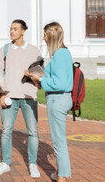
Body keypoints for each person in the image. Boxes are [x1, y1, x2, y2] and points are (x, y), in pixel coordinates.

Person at [0, 19, 42, 178]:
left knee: (33, 132)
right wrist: (1, 94)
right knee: (6, 131)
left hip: (29, 96)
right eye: (11, 29)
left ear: (23, 31)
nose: (12, 31)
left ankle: (33, 164)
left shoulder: (34, 50)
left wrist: (34, 78)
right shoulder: (4, 50)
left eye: (15, 29)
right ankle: (5, 163)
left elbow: (41, 75)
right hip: (9, 97)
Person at [25, 22, 73, 182]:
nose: (43, 37)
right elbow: (58, 80)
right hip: (61, 98)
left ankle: (63, 177)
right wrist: (38, 79)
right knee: (59, 139)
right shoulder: (63, 53)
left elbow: (58, 83)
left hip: (58, 99)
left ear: (51, 36)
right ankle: (61, 172)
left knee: (59, 141)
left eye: (45, 34)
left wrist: (39, 77)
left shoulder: (60, 54)